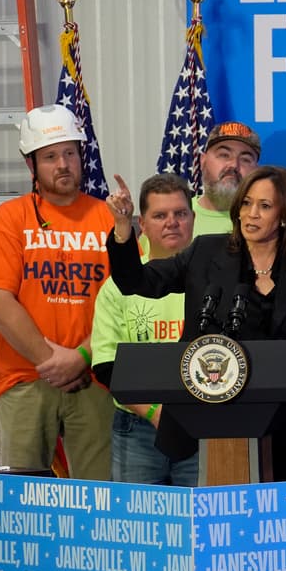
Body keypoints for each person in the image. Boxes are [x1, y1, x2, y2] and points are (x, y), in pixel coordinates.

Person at [105, 165, 286, 481]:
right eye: (246, 203)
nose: (251, 214)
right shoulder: (207, 252)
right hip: (213, 416)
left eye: (264, 206)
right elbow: (135, 281)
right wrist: (124, 226)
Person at [0, 104, 116, 478]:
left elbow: (123, 305)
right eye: (50, 156)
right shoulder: (11, 217)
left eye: (70, 152)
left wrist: (82, 356)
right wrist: (54, 363)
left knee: (100, 500)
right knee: (21, 504)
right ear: (31, 164)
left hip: (95, 379)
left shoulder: (107, 218)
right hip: (24, 380)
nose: (63, 164)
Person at [90, 173, 198, 486]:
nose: (172, 223)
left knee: (205, 525)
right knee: (138, 528)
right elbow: (106, 366)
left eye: (180, 214)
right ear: (143, 223)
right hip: (137, 429)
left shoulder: (212, 283)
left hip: (202, 423)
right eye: (160, 215)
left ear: (193, 218)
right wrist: (153, 412)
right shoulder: (116, 289)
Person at [192, 121, 260, 237]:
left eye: (245, 159)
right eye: (224, 155)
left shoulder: (266, 223)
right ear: (203, 161)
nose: (234, 165)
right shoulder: (174, 218)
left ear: (256, 170)